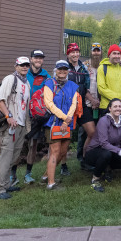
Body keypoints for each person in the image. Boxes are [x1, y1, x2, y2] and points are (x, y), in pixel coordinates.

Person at [0, 57, 32, 199]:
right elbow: (0, 100)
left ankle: (7, 184)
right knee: (5, 157)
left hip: (21, 125)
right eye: (22, 65)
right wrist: (8, 116)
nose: (24, 67)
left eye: (27, 65)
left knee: (14, 157)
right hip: (10, 125)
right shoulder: (10, 79)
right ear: (16, 66)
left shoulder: (26, 83)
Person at [42, 60, 79, 190]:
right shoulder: (49, 83)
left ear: (68, 71)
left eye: (65, 69)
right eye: (60, 69)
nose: (62, 72)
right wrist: (64, 118)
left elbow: (74, 104)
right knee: (55, 151)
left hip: (67, 123)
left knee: (63, 152)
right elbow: (49, 104)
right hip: (53, 122)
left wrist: (66, 121)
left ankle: (46, 175)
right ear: (55, 70)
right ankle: (51, 183)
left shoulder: (73, 86)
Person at [84, 98, 121, 192]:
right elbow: (104, 143)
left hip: (111, 151)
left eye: (120, 106)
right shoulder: (104, 121)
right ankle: (95, 179)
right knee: (106, 154)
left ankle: (107, 169)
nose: (118, 108)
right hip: (94, 151)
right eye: (115, 106)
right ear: (110, 109)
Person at [18, 49, 50, 185]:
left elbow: (49, 92)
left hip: (36, 116)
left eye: (40, 58)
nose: (38, 60)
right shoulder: (24, 73)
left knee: (33, 145)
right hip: (21, 114)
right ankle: (12, 175)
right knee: (18, 145)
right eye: (36, 58)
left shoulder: (45, 75)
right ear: (31, 59)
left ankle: (28, 174)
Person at [64, 42, 89, 175]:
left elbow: (86, 86)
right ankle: (63, 165)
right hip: (67, 107)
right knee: (65, 138)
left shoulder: (83, 67)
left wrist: (92, 99)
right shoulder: (63, 67)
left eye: (76, 51)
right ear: (68, 54)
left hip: (82, 105)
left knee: (90, 132)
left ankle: (84, 160)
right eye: (72, 52)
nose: (75, 54)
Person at [77, 43, 103, 169]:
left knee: (97, 132)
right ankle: (81, 158)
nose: (96, 53)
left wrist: (98, 102)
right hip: (87, 103)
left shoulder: (104, 65)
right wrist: (92, 100)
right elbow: (82, 87)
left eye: (98, 51)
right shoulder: (85, 66)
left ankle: (93, 157)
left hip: (101, 104)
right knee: (84, 133)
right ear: (91, 52)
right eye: (94, 51)